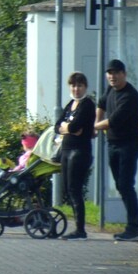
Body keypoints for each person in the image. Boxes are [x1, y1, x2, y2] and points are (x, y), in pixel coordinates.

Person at [95, 59, 138, 241]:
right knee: (120, 185)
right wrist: (95, 123)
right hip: (112, 144)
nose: (112, 76)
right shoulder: (110, 89)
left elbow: (113, 120)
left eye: (116, 73)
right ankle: (133, 227)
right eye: (109, 73)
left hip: (128, 145)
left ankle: (134, 228)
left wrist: (94, 128)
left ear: (124, 74)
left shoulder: (130, 96)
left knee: (125, 185)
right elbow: (101, 104)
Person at [57, 72, 95, 239]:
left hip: (79, 151)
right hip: (66, 150)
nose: (76, 89)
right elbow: (57, 125)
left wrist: (68, 127)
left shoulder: (87, 105)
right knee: (67, 188)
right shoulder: (70, 104)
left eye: (79, 85)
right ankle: (77, 227)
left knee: (75, 189)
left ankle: (80, 229)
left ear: (85, 87)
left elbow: (76, 127)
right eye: (73, 85)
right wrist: (67, 127)